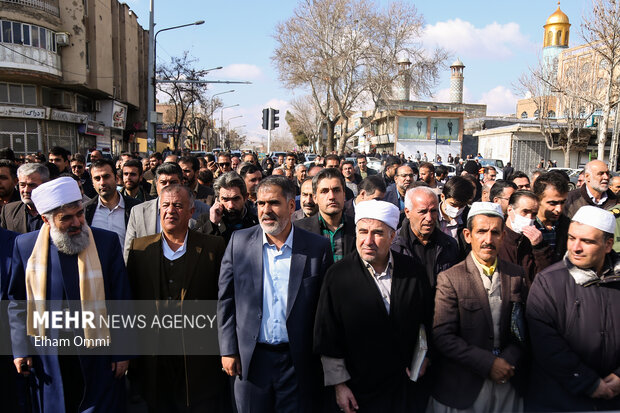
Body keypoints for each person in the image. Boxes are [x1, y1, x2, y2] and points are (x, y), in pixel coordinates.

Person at [8, 177, 131, 412]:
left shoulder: (106, 242)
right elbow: (17, 303)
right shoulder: (25, 246)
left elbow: (121, 300)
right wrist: (20, 349)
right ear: (46, 220)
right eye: (66, 218)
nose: (77, 222)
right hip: (48, 355)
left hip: (98, 352)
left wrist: (123, 351)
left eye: (79, 214)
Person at [217, 176, 333, 413]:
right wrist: (228, 349)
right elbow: (225, 299)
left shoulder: (316, 248)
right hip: (251, 361)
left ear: (292, 206)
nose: (266, 211)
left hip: (297, 363)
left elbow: (325, 310)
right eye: (260, 204)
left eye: (274, 203)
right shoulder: (238, 242)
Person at [314, 200, 433, 412]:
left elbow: (428, 321)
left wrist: (425, 359)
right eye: (362, 232)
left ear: (392, 236)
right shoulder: (338, 275)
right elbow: (328, 335)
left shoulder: (413, 272)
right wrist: (339, 385)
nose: (368, 241)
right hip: (358, 391)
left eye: (377, 233)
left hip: (403, 387)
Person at [126, 184, 230, 411]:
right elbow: (129, 301)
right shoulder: (140, 249)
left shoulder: (213, 246)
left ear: (191, 212)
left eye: (178, 205)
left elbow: (224, 300)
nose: (170, 211)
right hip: (153, 356)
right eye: (165, 205)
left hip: (199, 358)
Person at [430, 202, 527, 413]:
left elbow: (522, 330)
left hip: (507, 383)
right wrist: (488, 363)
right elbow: (443, 336)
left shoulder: (516, 275)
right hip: (465, 386)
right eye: (481, 231)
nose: (488, 240)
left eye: (495, 233)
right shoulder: (450, 279)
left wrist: (507, 361)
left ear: (503, 235)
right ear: (467, 235)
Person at [525, 205, 620, 411]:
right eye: (571, 238)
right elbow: (546, 344)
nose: (575, 247)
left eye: (587, 241)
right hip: (560, 400)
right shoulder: (548, 282)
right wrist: (588, 382)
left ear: (608, 244)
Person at [124, 163, 209, 261]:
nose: (168, 187)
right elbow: (129, 251)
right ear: (156, 185)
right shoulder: (138, 212)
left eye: (173, 182)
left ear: (182, 183)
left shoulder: (202, 210)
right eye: (163, 182)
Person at [391, 187, 459, 288]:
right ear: (407, 212)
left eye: (433, 211)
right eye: (423, 211)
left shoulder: (449, 245)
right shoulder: (392, 246)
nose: (429, 218)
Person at [295, 168, 356, 262]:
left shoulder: (358, 228)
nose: (331, 196)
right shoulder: (298, 230)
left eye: (336, 190)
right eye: (324, 191)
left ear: (344, 195)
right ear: (315, 198)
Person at [498, 190, 555, 287]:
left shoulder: (534, 241)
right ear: (510, 210)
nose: (529, 218)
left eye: (533, 214)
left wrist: (540, 247)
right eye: (525, 211)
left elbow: (547, 275)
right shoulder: (497, 239)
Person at [84, 159, 141, 248]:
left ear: (117, 178)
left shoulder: (136, 208)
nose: (102, 183)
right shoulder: (86, 210)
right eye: (97, 178)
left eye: (106, 177)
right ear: (92, 183)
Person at [195, 172, 258, 244]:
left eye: (236, 199)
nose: (231, 205)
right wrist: (212, 223)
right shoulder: (205, 220)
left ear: (245, 197)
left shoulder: (256, 223)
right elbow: (195, 245)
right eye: (225, 199)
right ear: (217, 199)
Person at [0, 163, 49, 233]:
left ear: (45, 185)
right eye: (22, 185)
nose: (26, 190)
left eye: (32, 185)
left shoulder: (57, 211)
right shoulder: (9, 211)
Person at [533, 172, 571, 258]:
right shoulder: (527, 226)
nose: (559, 209)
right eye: (553, 203)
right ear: (537, 200)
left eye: (562, 202)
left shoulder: (568, 226)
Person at [438, 175, 474, 242]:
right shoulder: (431, 215)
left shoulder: (469, 218)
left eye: (461, 205)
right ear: (442, 197)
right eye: (453, 205)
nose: (457, 209)